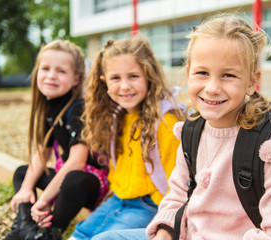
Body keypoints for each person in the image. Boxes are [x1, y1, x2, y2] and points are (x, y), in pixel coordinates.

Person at [91, 14, 271, 240]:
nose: (212, 87)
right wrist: (164, 232)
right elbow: (177, 197)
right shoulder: (191, 132)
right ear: (188, 73)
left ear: (251, 82)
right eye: (202, 73)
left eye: (228, 75)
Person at [68, 35, 184, 240]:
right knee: (80, 233)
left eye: (133, 76)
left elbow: (178, 183)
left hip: (151, 203)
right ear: (104, 81)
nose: (124, 86)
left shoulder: (167, 122)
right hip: (119, 199)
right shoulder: (117, 116)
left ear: (149, 76)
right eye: (115, 78)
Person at [6, 40, 109, 240]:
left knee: (74, 179)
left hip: (91, 183)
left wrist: (44, 199)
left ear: (76, 79)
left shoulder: (80, 108)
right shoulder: (50, 108)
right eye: (45, 68)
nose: (51, 75)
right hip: (67, 176)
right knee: (23, 172)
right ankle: (25, 226)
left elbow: (77, 162)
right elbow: (42, 154)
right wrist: (27, 189)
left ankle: (49, 232)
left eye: (61, 71)